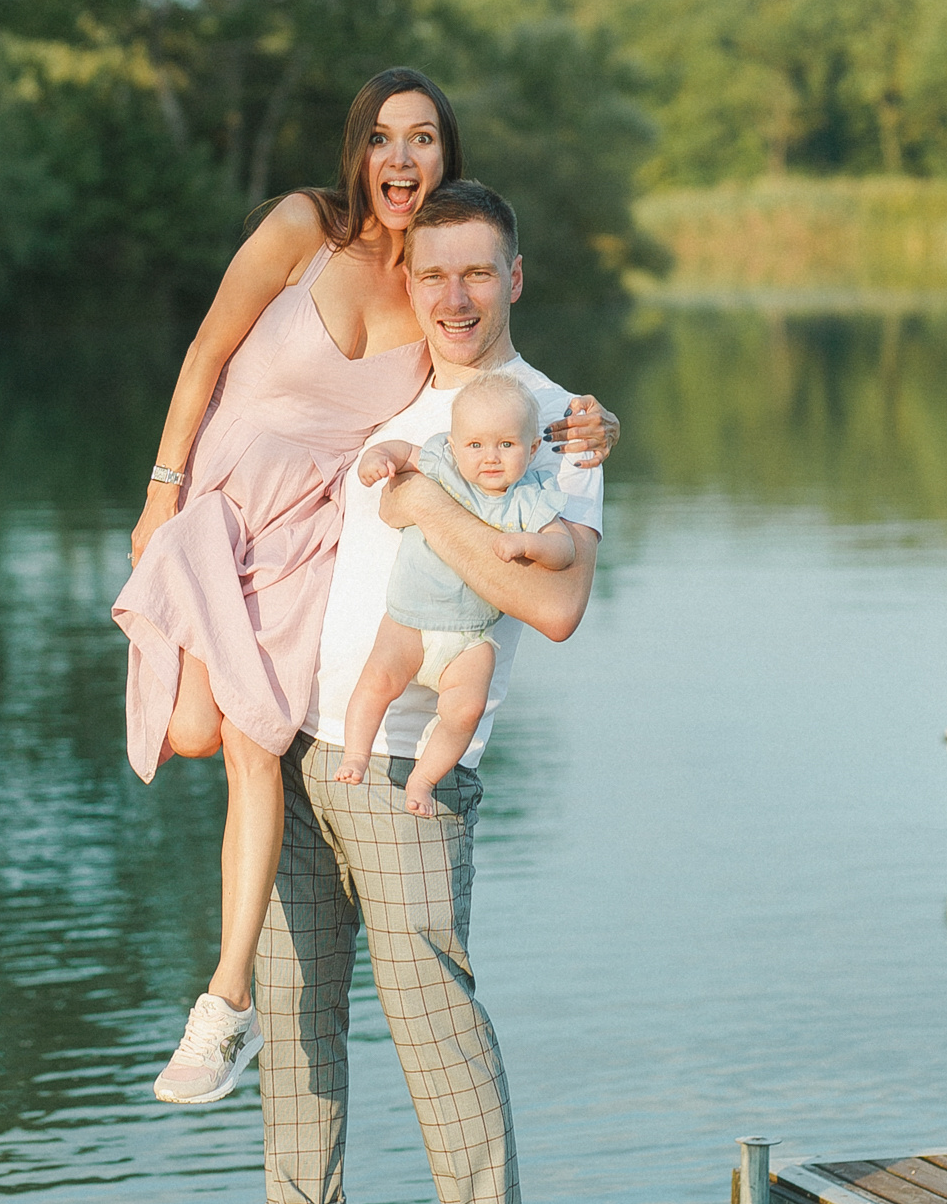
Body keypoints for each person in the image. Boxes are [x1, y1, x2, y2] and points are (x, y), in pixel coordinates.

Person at [112, 70, 615, 1108]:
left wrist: (589, 430)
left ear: (446, 158)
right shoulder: (303, 228)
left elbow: (499, 409)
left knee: (245, 748)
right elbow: (206, 350)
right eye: (383, 139)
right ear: (358, 151)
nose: (399, 159)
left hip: (304, 539)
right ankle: (232, 1006)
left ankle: (221, 1002)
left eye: (422, 140)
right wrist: (161, 489)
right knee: (198, 732)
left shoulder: (438, 301)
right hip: (215, 506)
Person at [228, 180, 607, 1204]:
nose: (451, 295)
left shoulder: (549, 419)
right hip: (298, 730)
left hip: (410, 762)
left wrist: (427, 511)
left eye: (476, 272)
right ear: (409, 281)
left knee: (428, 999)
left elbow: (555, 606)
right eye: (431, 273)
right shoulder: (389, 381)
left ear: (514, 277)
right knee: (296, 997)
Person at [335, 372, 575, 814]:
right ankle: (356, 753)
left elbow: (564, 549)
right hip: (408, 619)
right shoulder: (442, 465)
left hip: (469, 639)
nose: (490, 458)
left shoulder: (527, 498)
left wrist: (529, 544)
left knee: (466, 710)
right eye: (476, 445)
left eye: (507, 445)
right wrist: (378, 456)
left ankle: (423, 781)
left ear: (532, 449)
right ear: (454, 442)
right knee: (376, 682)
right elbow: (403, 453)